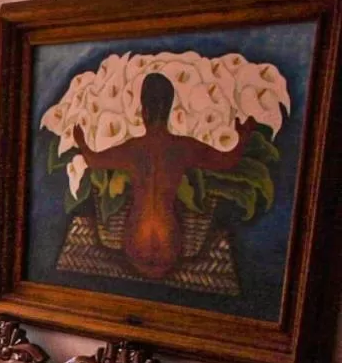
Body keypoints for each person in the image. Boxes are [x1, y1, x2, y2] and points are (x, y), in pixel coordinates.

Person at [73, 72, 257, 279]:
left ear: (144, 111)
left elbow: (93, 160)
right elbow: (228, 161)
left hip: (135, 248)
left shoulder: (133, 149)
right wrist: (244, 136)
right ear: (170, 110)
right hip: (170, 250)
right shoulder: (181, 148)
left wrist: (80, 140)